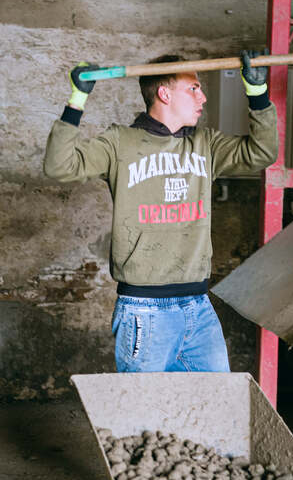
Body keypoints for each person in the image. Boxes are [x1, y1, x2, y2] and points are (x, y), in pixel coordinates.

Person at [44, 51, 278, 374]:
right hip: (144, 310)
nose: (204, 97)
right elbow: (59, 166)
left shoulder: (205, 145)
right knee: (144, 419)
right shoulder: (119, 144)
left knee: (217, 407)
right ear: (164, 94)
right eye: (193, 89)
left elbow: (262, 153)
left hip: (198, 307)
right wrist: (77, 97)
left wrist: (257, 95)